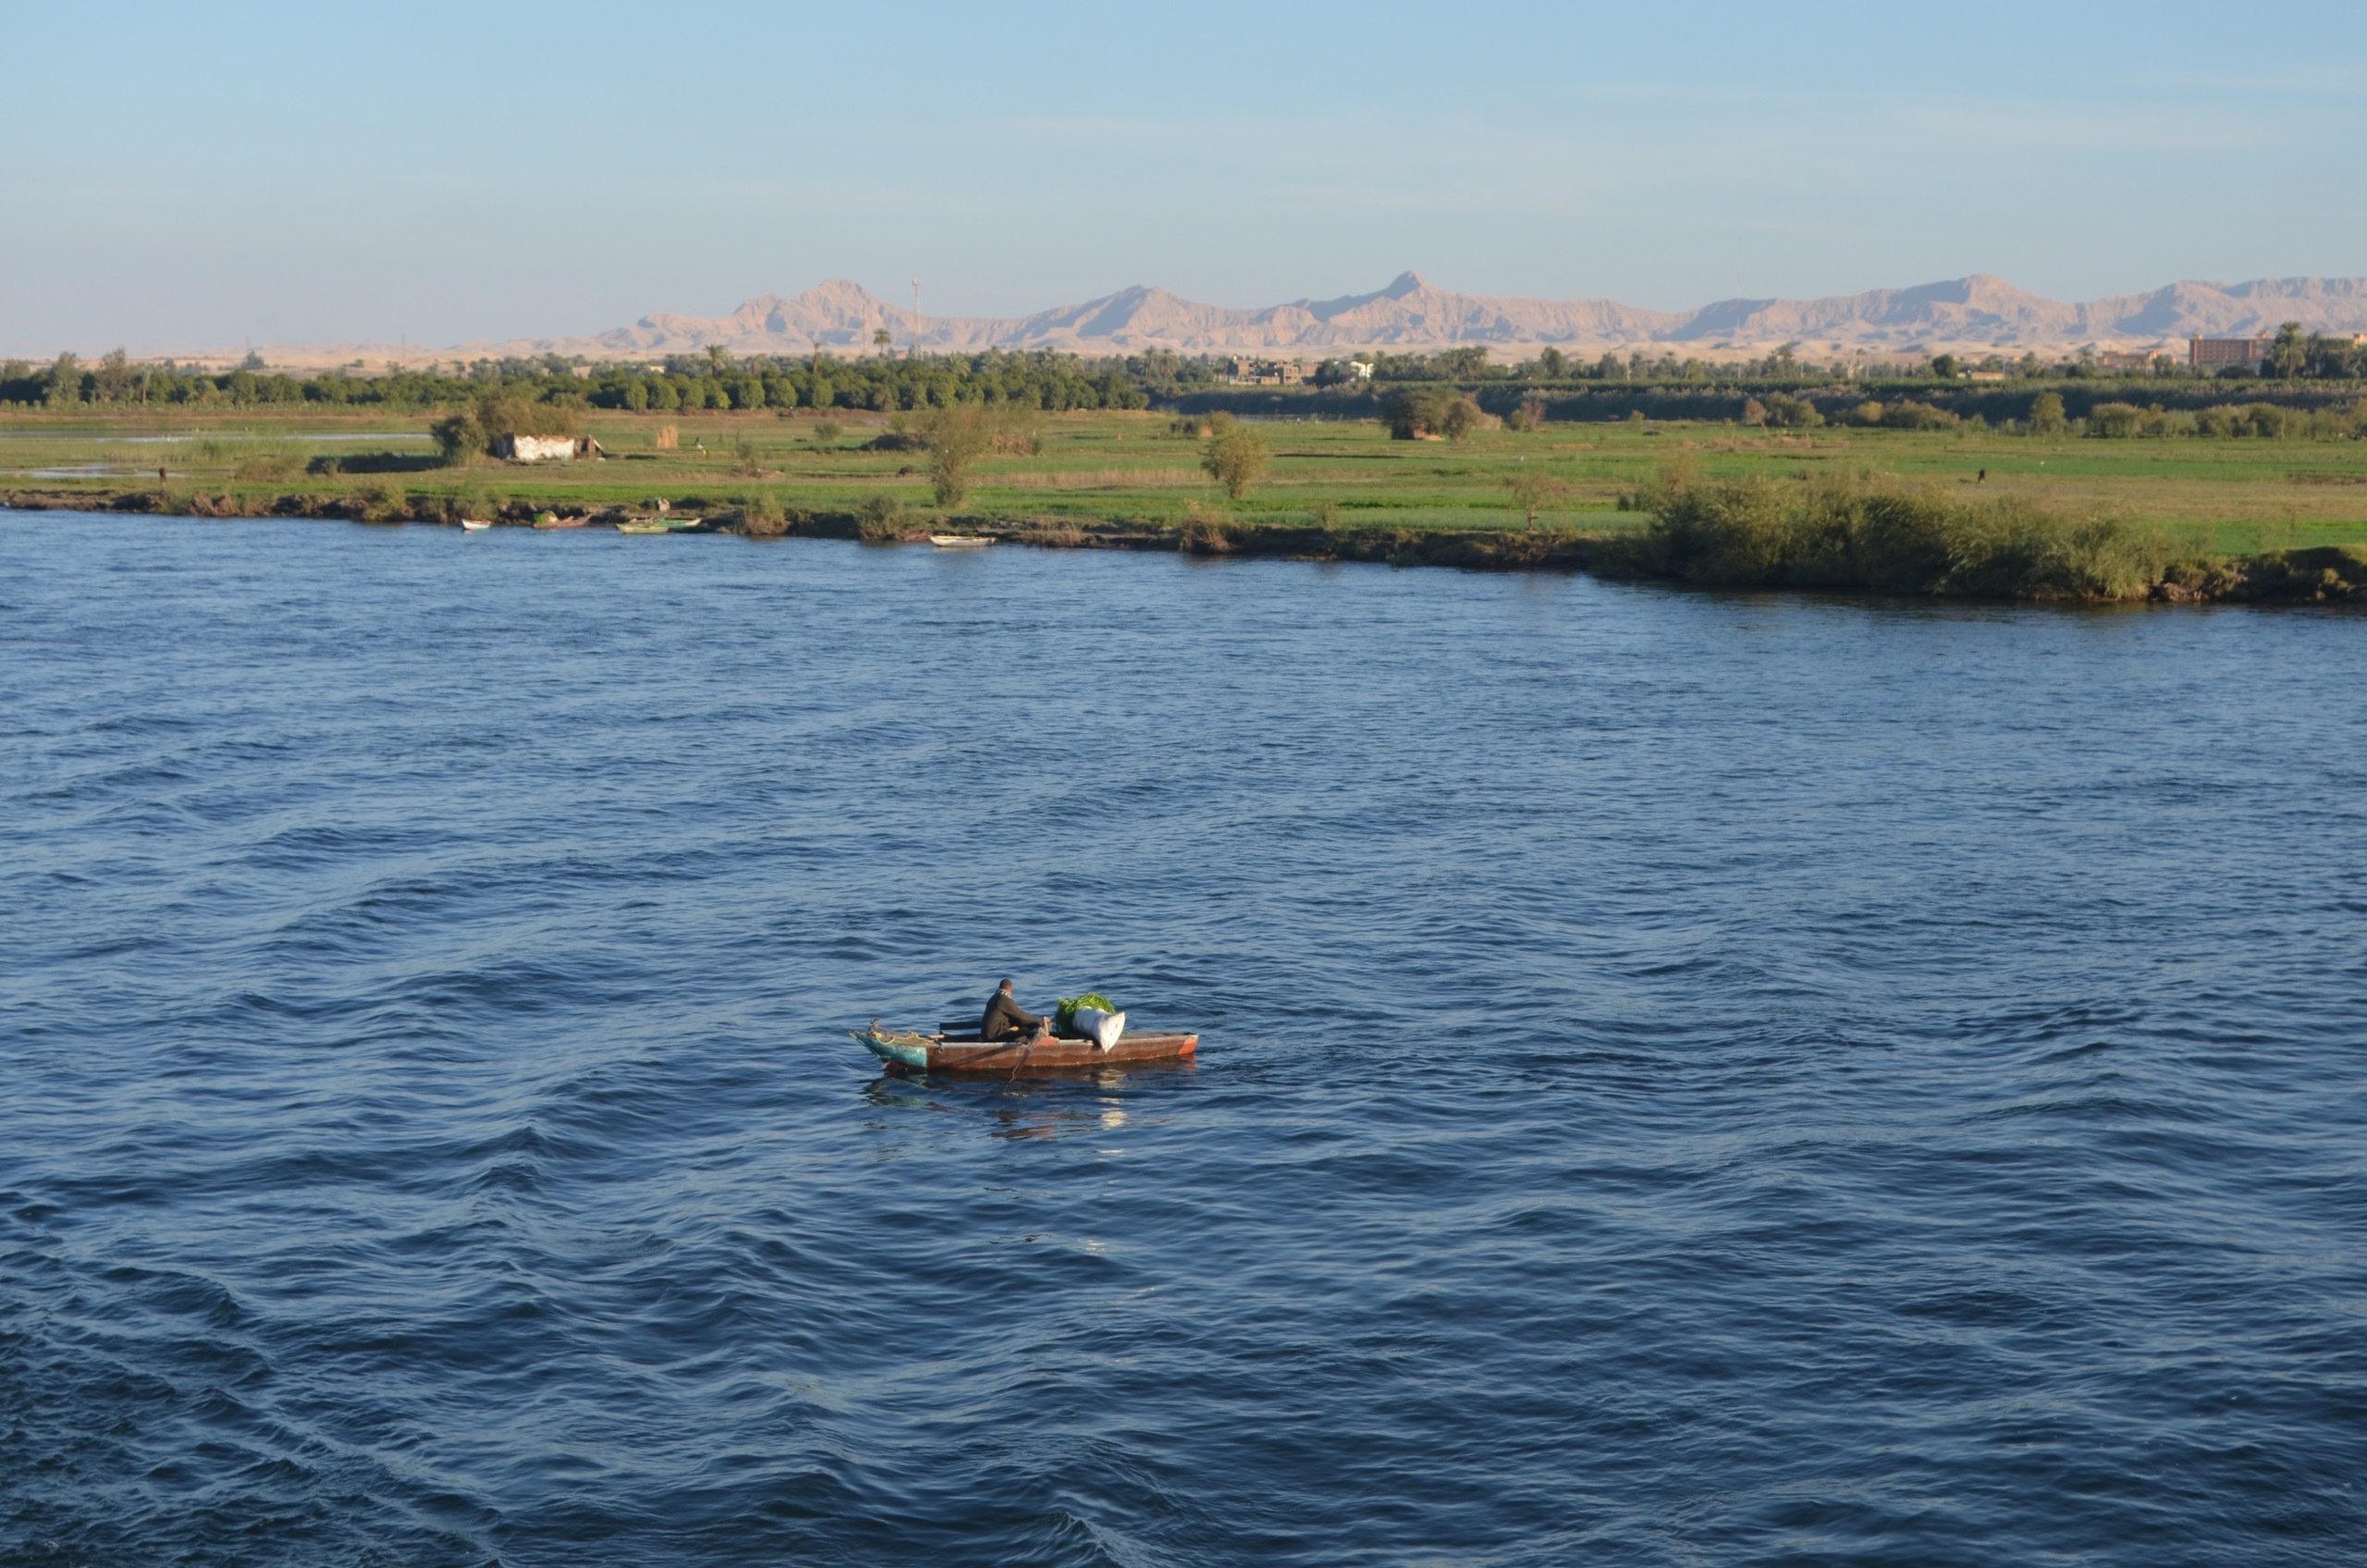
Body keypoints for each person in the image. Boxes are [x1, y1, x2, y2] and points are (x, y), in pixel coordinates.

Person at [980, 979, 1049, 1042]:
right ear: (1011, 990)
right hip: (994, 1037)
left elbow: (1013, 1018)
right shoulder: (1004, 999)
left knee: (1021, 1028)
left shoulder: (994, 998)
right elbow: (1021, 1016)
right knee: (1022, 1038)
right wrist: (1040, 1020)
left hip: (987, 1035)